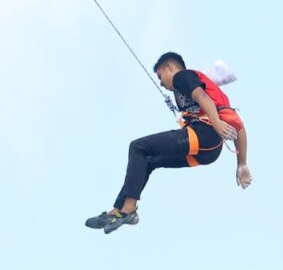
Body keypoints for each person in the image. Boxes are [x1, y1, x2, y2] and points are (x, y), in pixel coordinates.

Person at [85, 52, 253, 234]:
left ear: (170, 68)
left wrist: (217, 122)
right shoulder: (188, 88)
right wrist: (242, 164)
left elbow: (202, 97)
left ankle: (127, 210)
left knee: (137, 147)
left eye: (160, 76)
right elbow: (240, 128)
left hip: (205, 135)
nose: (160, 82)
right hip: (209, 152)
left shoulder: (182, 77)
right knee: (148, 161)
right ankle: (120, 210)